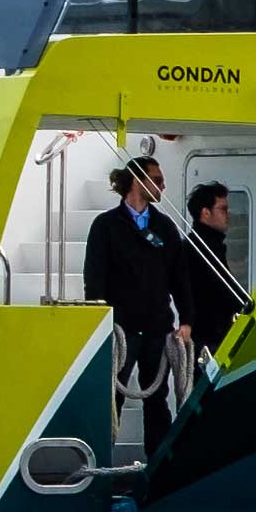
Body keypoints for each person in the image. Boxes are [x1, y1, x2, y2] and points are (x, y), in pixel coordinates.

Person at [80, 155, 186, 442]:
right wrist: (101, 323)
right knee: (111, 399)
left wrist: (186, 320)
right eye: (158, 180)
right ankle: (101, 464)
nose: (163, 187)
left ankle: (158, 472)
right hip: (121, 330)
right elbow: (94, 278)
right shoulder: (106, 226)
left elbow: (179, 278)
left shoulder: (165, 227)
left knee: (157, 401)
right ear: (139, 181)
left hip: (156, 328)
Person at [175, 180, 253, 362]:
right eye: (223, 209)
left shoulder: (211, 245)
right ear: (206, 213)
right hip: (206, 337)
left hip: (214, 332)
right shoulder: (198, 248)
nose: (229, 215)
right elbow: (219, 288)